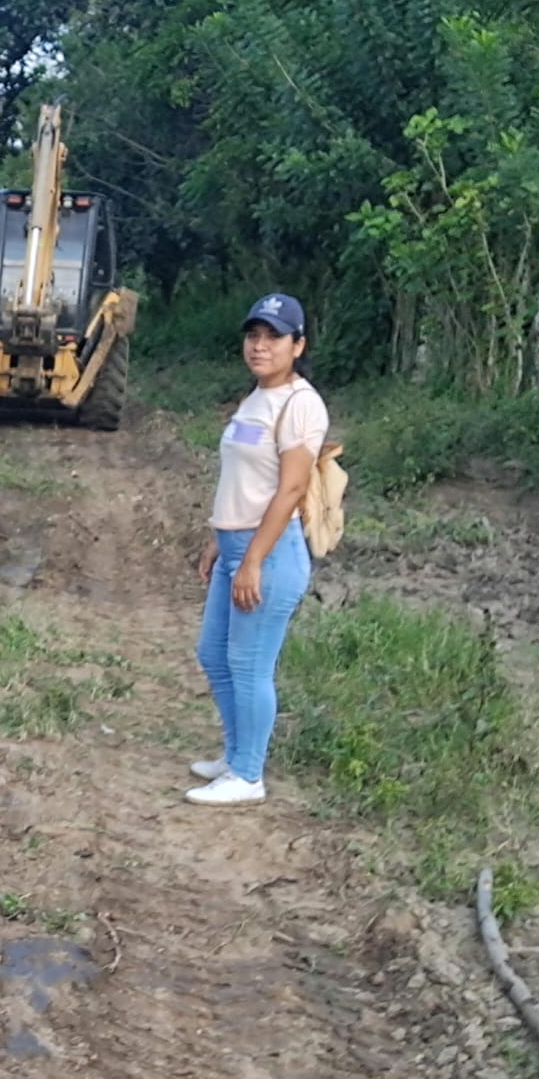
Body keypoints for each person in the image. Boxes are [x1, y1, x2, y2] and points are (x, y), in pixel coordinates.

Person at [189, 292, 329, 807]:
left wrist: (251, 560)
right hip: (235, 547)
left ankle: (248, 775)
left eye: (274, 337)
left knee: (249, 664)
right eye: (254, 335)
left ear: (298, 346)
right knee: (213, 654)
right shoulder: (256, 398)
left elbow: (290, 489)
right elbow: (245, 480)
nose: (260, 346)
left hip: (268, 553)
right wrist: (218, 540)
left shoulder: (300, 404)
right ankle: (235, 755)